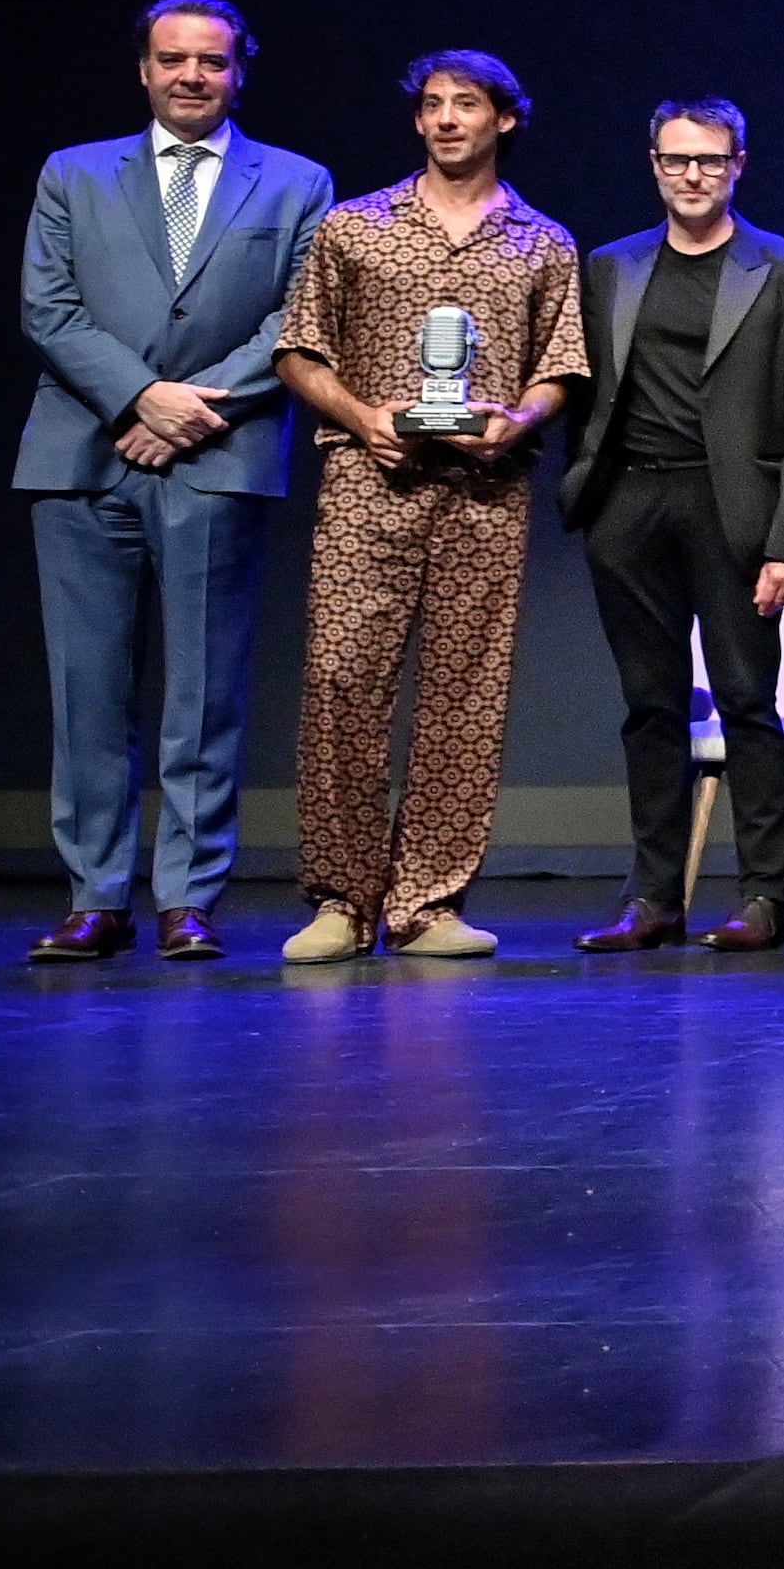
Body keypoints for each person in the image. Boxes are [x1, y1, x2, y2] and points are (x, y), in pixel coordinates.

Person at [15, 0, 336, 963]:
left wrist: (192, 408)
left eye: (212, 60)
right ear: (144, 69)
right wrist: (140, 397)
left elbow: (298, 317)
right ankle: (96, 896)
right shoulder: (73, 173)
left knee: (204, 691)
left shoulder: (296, 181)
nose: (192, 75)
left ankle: (188, 897)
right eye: (173, 59)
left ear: (240, 71)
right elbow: (48, 307)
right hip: (85, 452)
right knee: (88, 689)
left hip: (215, 452)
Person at [267, 49, 589, 963]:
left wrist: (520, 419)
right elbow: (297, 351)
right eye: (435, 105)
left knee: (464, 692)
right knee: (341, 680)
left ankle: (428, 902)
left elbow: (562, 365)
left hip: (485, 489)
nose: (449, 119)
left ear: (504, 118)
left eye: (468, 104)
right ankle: (342, 899)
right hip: (369, 480)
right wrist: (359, 415)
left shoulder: (541, 241)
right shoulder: (356, 225)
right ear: (418, 120)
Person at [560, 99, 784, 954]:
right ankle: (653, 897)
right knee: (650, 706)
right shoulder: (611, 264)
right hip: (629, 505)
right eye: (677, 159)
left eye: (710, 160)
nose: (693, 175)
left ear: (737, 164)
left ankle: (763, 896)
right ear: (654, 164)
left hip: (732, 508)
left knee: (749, 703)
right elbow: (587, 388)